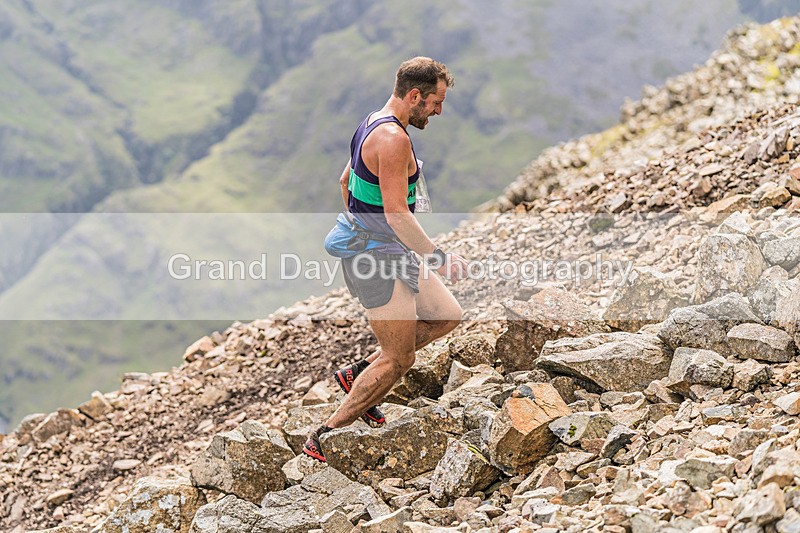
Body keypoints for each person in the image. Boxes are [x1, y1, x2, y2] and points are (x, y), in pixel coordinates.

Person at [303, 57, 469, 462]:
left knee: (447, 314)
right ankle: (324, 436)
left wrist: (364, 223)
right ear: (415, 96)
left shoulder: (371, 122)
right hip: (377, 260)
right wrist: (437, 256)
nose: (438, 111)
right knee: (399, 358)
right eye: (435, 102)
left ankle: (357, 374)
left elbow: (345, 181)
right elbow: (397, 214)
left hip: (388, 249)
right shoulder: (394, 140)